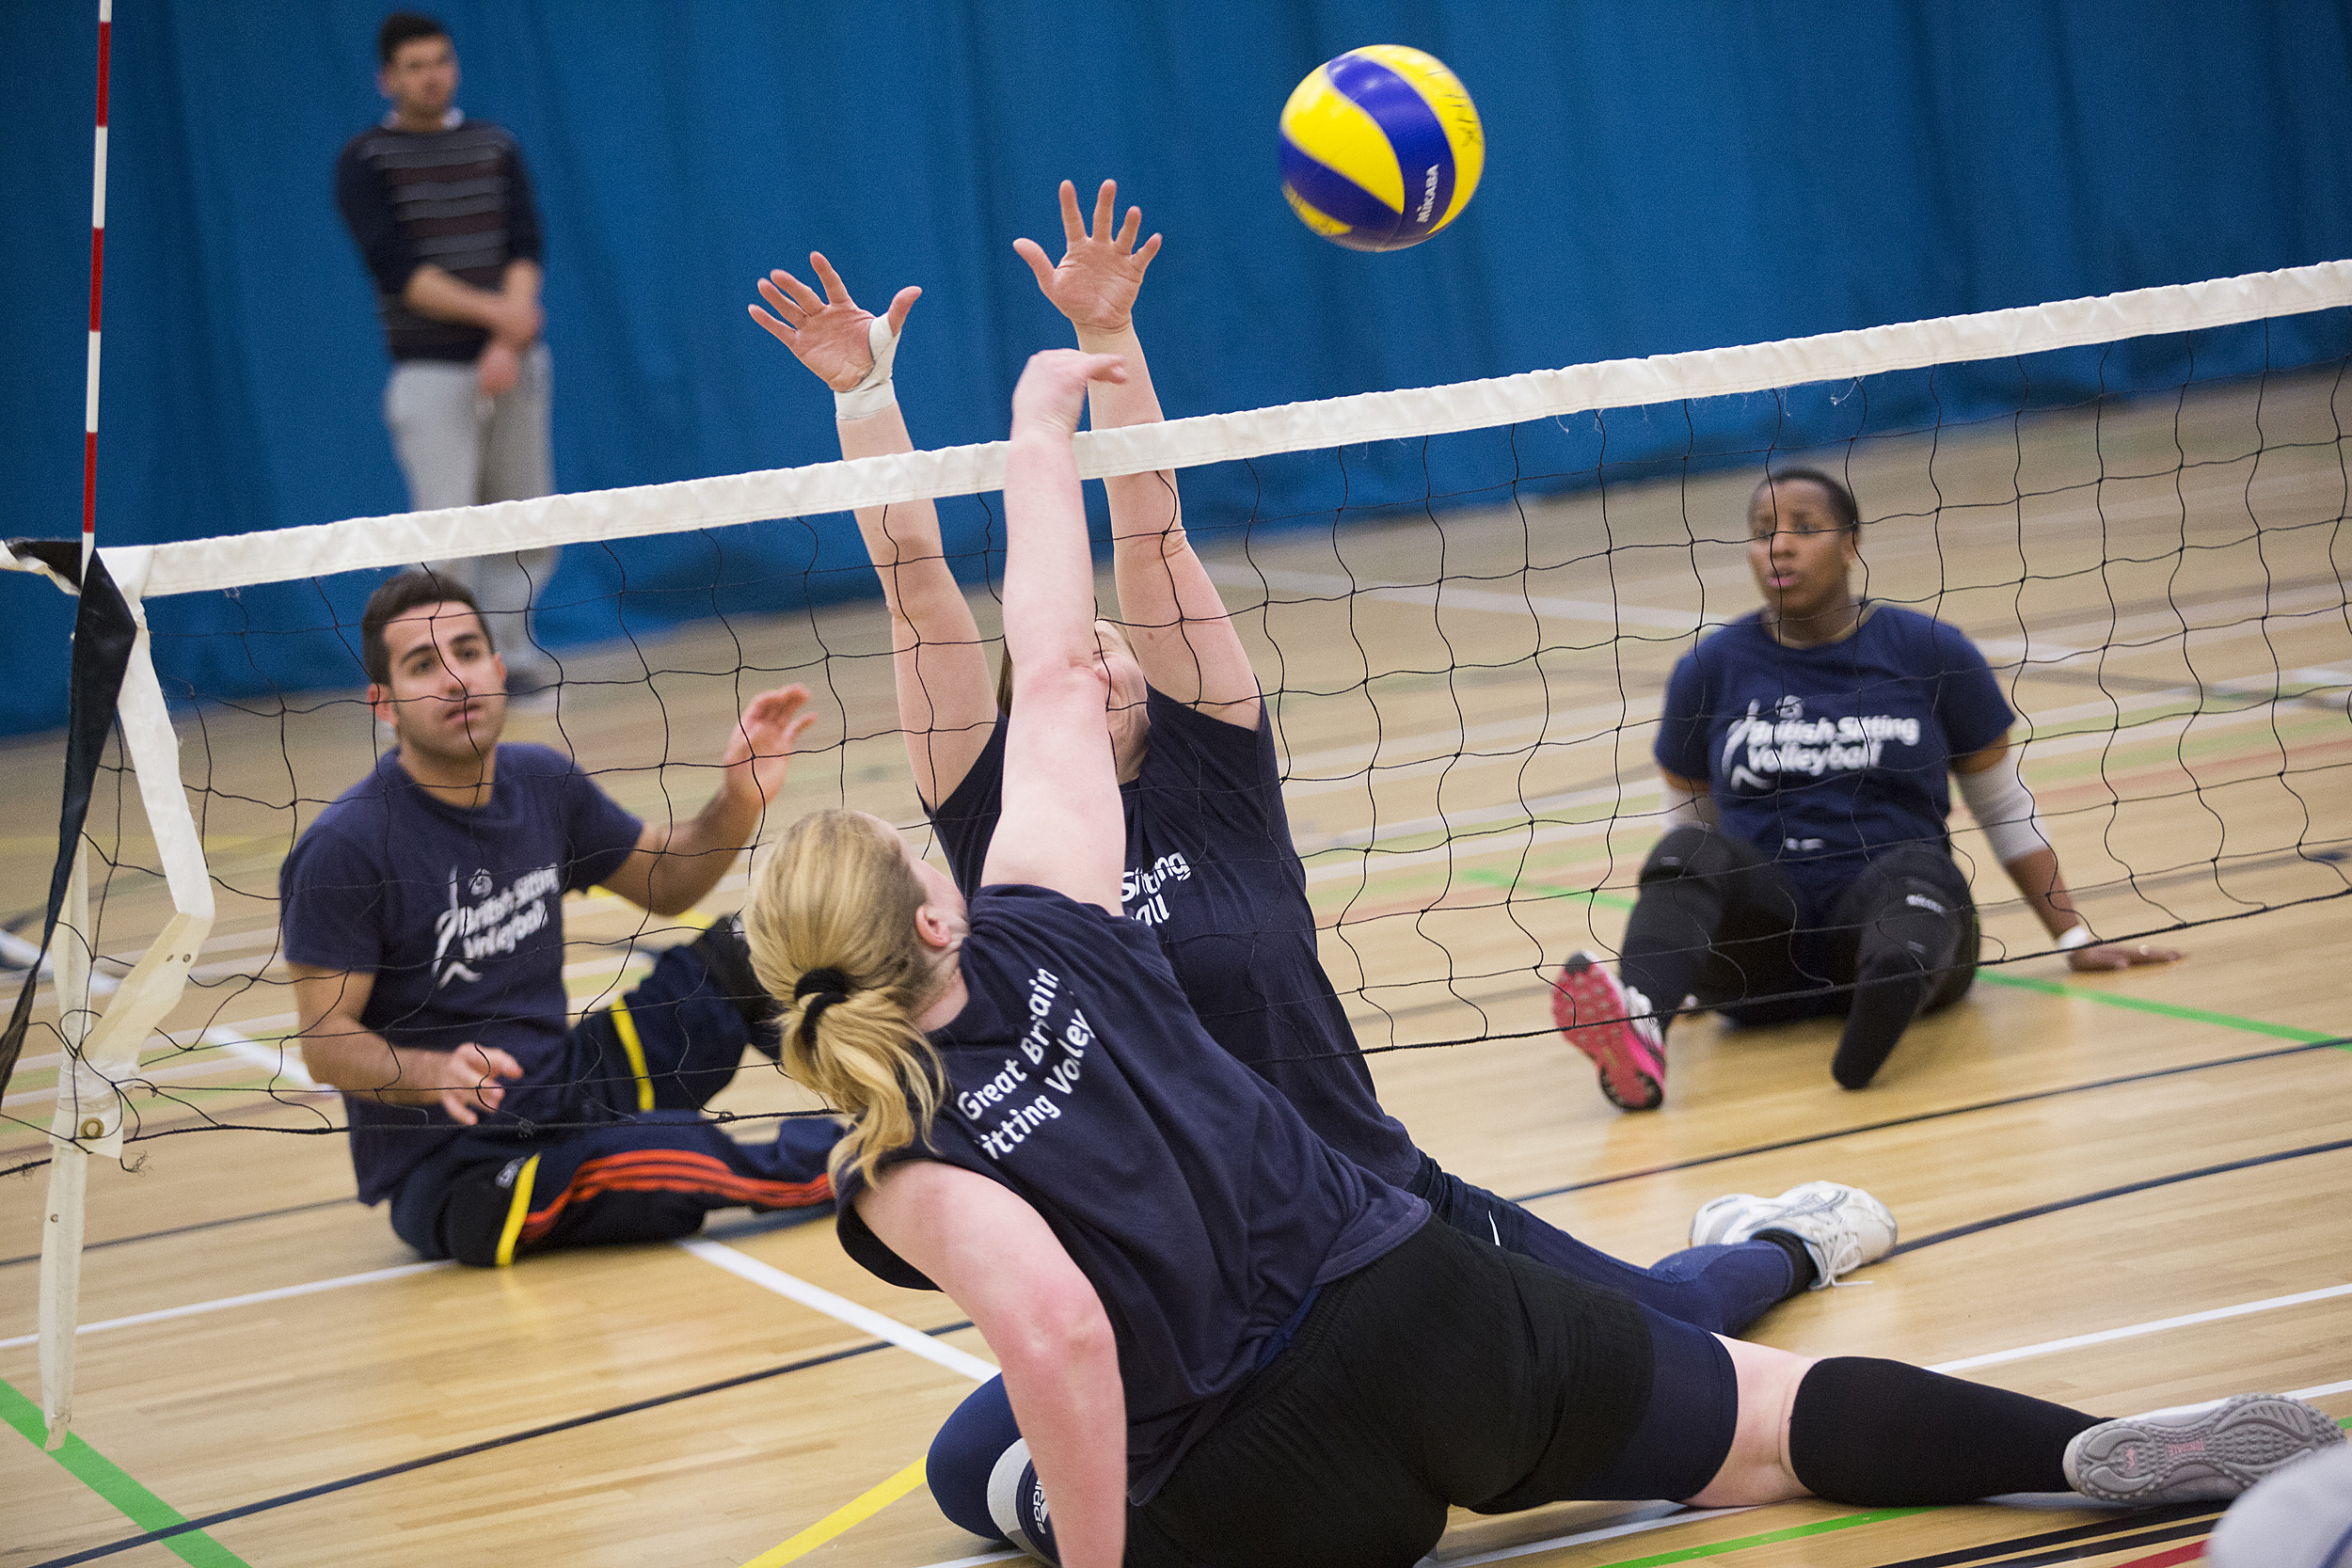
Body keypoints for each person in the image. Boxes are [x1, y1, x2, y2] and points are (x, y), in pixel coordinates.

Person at [740, 348, 2342, 1568]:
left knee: (1017, 1465)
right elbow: (1023, 636)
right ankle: (2073, 1452)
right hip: (1407, 1290)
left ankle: (1791, 1260)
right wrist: (1037, 429)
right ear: (937, 905)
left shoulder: (889, 1149)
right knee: (1764, 1430)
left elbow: (1062, 1335)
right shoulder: (1051, 894)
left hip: (1263, 1455)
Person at [749, 182, 1872, 1336]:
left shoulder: (1213, 772)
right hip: (1175, 1280)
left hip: (1371, 1207)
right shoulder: (998, 833)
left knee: (1664, 1324)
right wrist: (866, 397)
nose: (1103, 662)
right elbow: (915, 596)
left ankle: (1784, 1237)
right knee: (970, 1476)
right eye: (1073, 657)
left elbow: (1151, 529)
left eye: (1116, 646)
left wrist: (1107, 337)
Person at [1551, 467, 2185, 1109]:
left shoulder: (1931, 652)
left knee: (1917, 872)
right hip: (1765, 958)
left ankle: (1874, 1025)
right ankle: (1640, 1026)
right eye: (1763, 531)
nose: (1780, 546)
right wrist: (1676, 968)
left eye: (1805, 528)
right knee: (1685, 853)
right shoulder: (1710, 670)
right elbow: (1690, 829)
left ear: (1851, 542)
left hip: (1900, 908)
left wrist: (2072, 937)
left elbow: (2002, 807)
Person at [279, 570, 836, 1265]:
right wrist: (432, 1071)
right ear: (383, 703)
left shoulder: (541, 779)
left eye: (469, 650)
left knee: (754, 942)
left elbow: (667, 882)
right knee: (671, 1159)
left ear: (498, 663)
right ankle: (864, 1157)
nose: (456, 678)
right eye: (424, 665)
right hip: (462, 1164)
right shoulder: (346, 848)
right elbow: (325, 1041)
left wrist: (741, 796)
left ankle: (900, 1089)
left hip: (572, 1084)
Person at [335, 11, 561, 696]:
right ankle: (447, 669)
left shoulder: (498, 145)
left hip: (516, 365)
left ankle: (512, 658)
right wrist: (503, 321)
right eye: (415, 65)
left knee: (526, 519)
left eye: (441, 60)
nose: (431, 74)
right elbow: (401, 272)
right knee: (449, 533)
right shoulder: (365, 161)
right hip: (429, 373)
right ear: (388, 78)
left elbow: (525, 245)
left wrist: (507, 344)